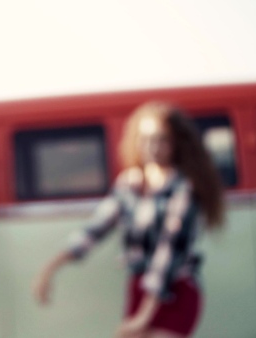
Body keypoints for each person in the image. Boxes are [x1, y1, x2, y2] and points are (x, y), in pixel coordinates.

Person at [32, 101, 224, 338]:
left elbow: (169, 252)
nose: (152, 146)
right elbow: (94, 230)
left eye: (161, 139)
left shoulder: (184, 189)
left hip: (175, 290)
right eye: (145, 138)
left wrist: (143, 317)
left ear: (176, 143)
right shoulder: (130, 184)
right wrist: (49, 269)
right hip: (140, 288)